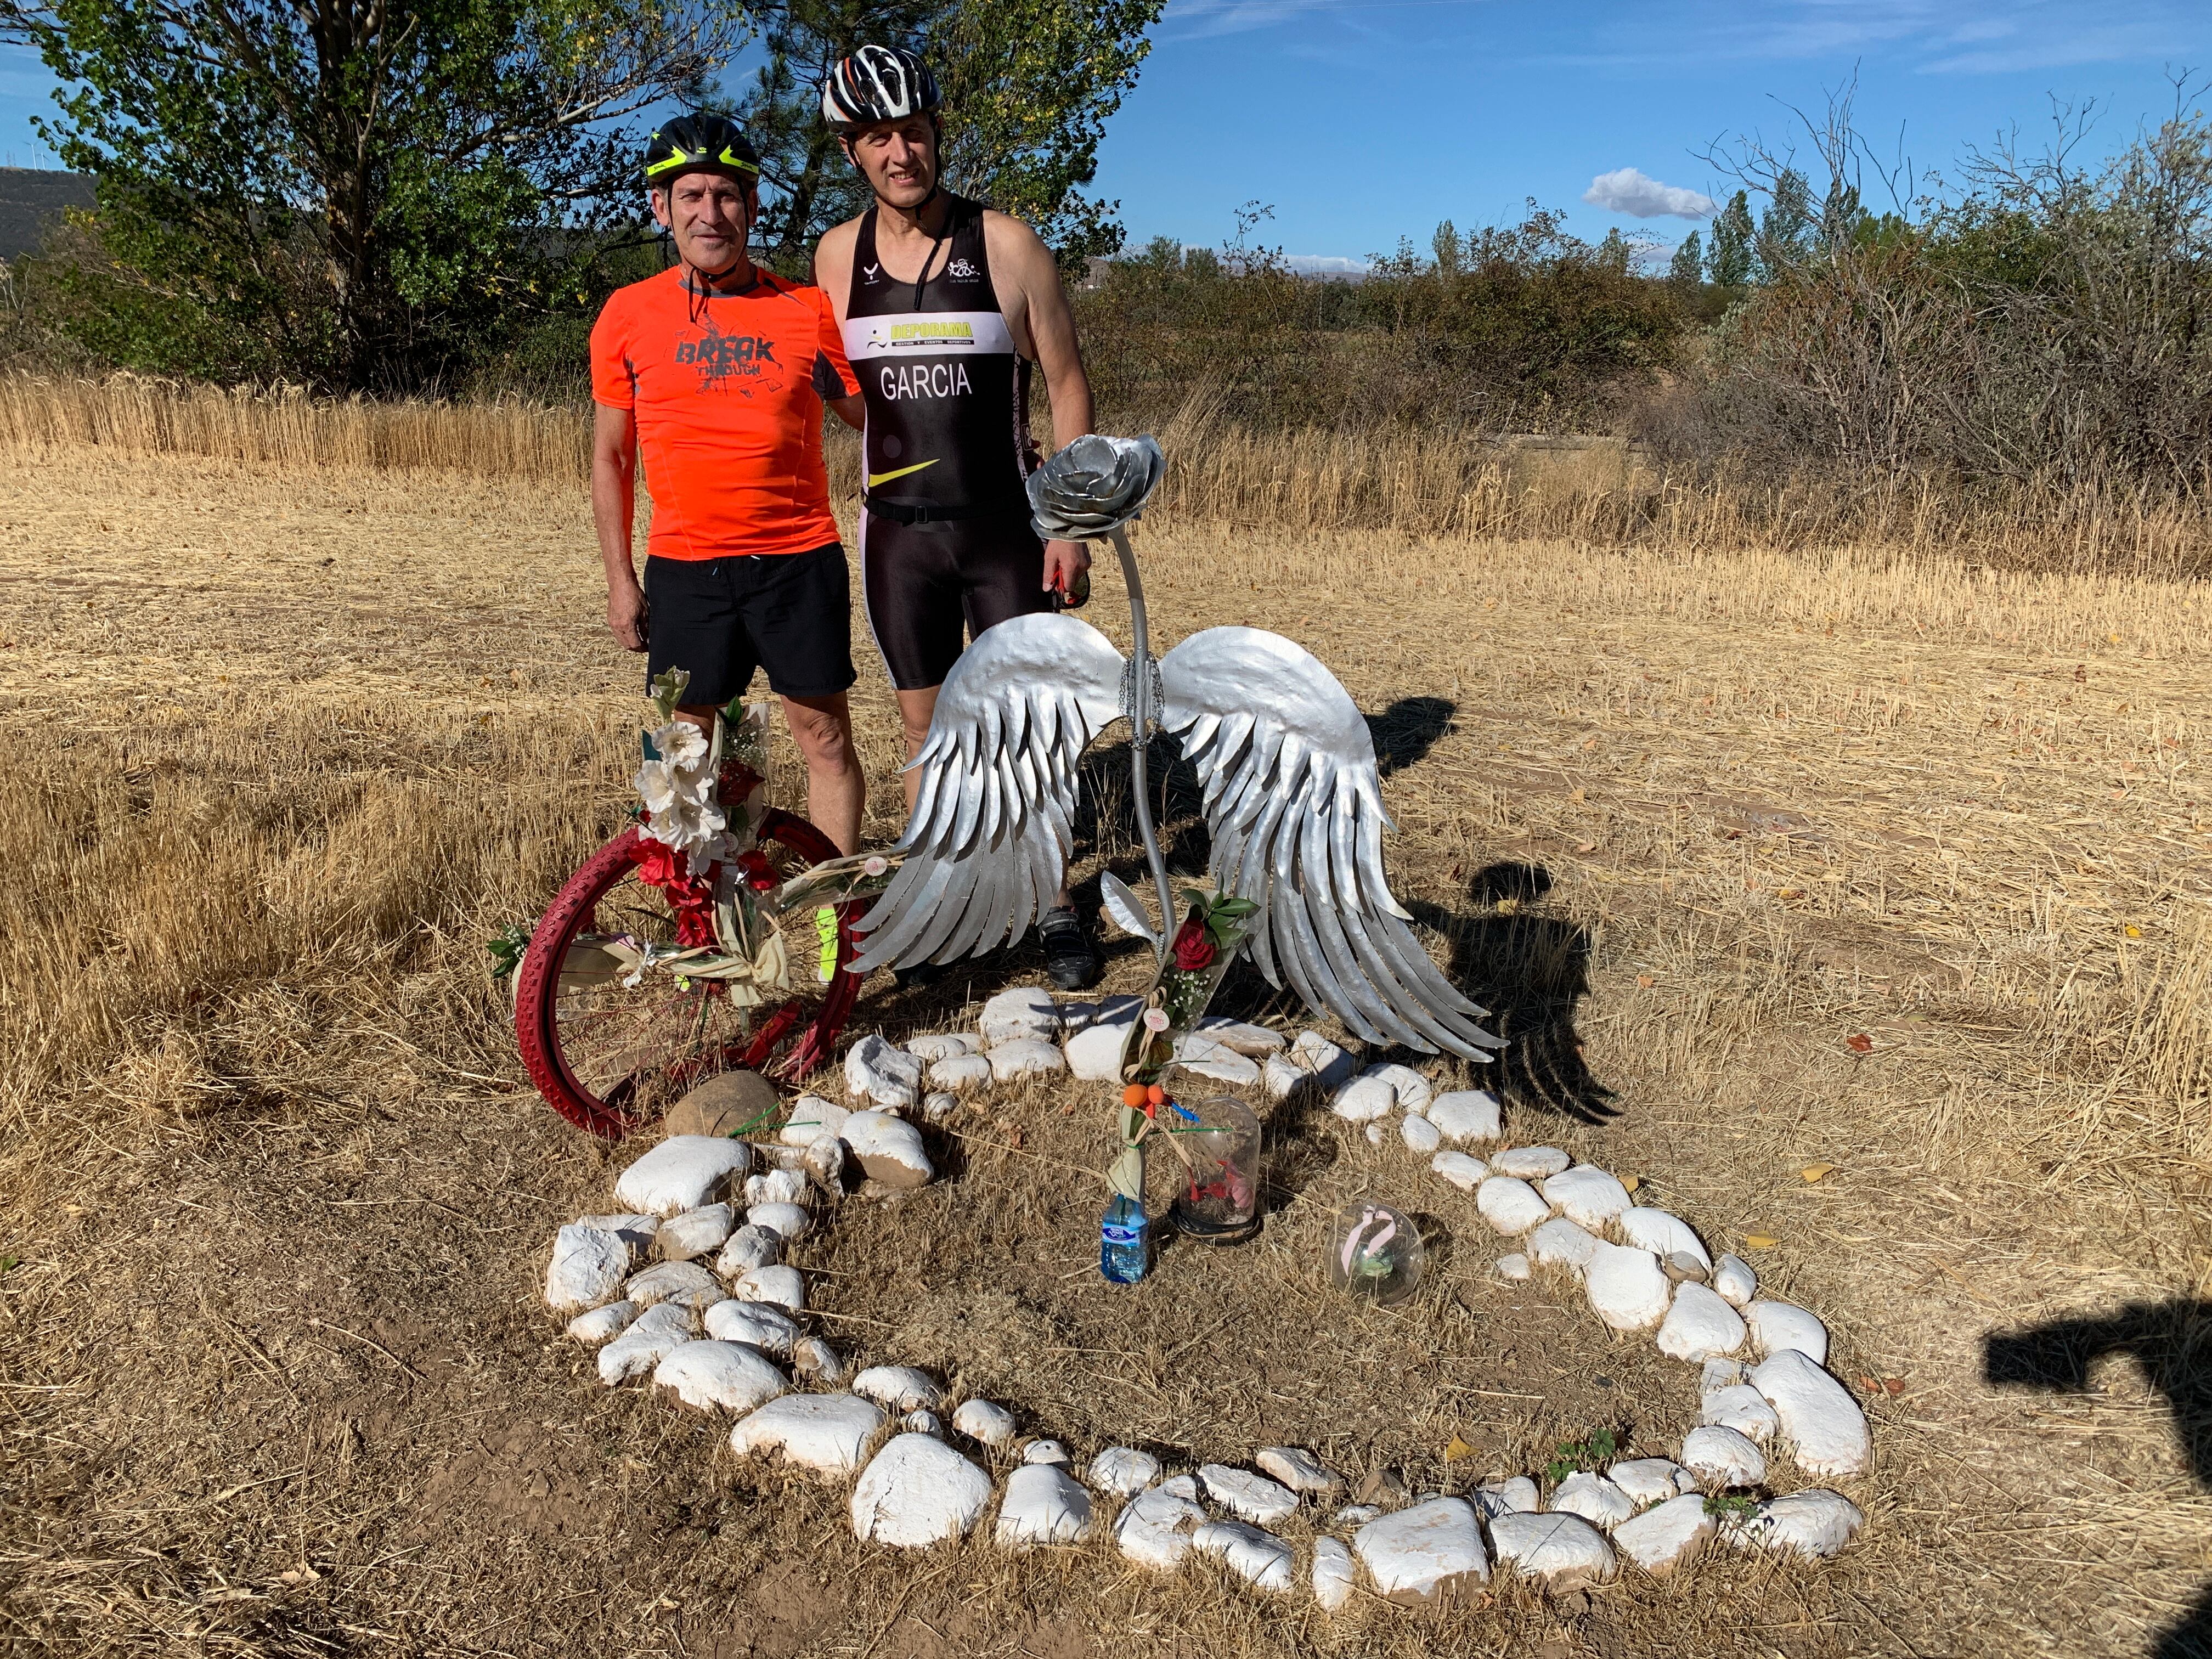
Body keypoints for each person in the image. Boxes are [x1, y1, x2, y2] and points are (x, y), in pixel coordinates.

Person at [812, 44, 1105, 989]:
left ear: (938, 134)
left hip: (1005, 529)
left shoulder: (1007, 244)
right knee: (926, 736)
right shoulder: (834, 256)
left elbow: (1068, 387)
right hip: (900, 534)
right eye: (879, 138)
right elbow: (862, 407)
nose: (902, 152)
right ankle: (945, 898)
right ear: (853, 150)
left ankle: (1055, 904)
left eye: (915, 131)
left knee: (1028, 731)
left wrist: (1071, 526)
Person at [590, 113, 868, 854]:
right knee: (681, 752)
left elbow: (868, 417)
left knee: (825, 741)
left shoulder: (806, 310)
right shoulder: (626, 315)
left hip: (798, 558)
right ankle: (695, 921)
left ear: (751, 205)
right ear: (662, 208)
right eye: (691, 196)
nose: (710, 213)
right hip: (687, 567)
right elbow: (611, 459)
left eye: (728, 195)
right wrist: (621, 579)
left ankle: (830, 917)